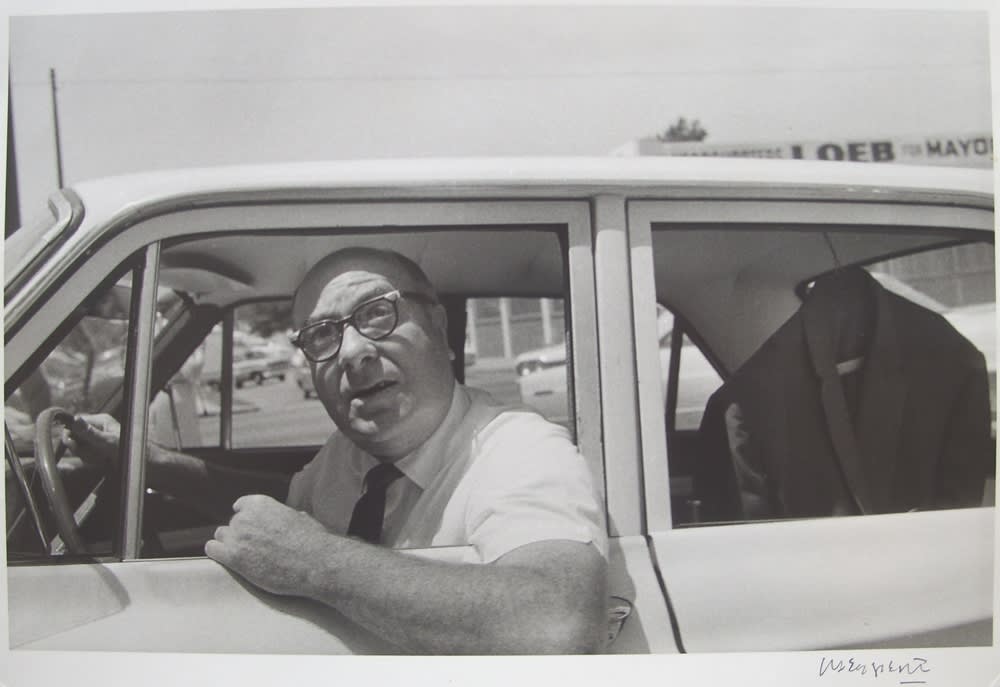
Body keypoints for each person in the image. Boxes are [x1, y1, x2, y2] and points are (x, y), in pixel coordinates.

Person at [67, 247, 608, 654]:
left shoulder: (519, 449)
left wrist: (317, 563)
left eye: (376, 314)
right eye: (322, 335)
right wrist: (148, 461)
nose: (352, 352)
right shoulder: (350, 453)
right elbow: (289, 508)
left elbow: (559, 621)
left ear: (440, 329)